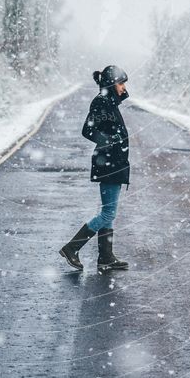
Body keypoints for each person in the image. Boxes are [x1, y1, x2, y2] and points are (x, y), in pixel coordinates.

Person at [59, 65, 131, 272]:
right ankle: (72, 248)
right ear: (111, 83)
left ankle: (106, 257)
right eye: (121, 83)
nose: (124, 87)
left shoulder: (109, 102)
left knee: (109, 212)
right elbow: (87, 130)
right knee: (108, 213)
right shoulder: (101, 102)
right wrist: (109, 140)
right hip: (108, 163)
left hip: (114, 164)